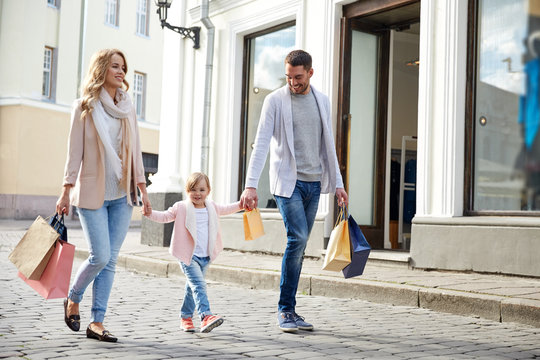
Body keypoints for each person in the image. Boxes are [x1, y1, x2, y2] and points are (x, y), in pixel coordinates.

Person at [240, 49, 348, 333]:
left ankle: (291, 310)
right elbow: (261, 143)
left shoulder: (321, 101)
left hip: (314, 183)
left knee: (299, 246)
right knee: (297, 237)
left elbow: (328, 147)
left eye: (298, 77)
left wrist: (338, 184)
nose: (292, 82)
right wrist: (251, 184)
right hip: (288, 184)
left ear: (310, 73)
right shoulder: (275, 101)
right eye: (288, 76)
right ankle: (285, 310)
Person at [56, 48, 151, 342]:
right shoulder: (83, 106)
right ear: (102, 69)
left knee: (111, 261)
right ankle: (73, 297)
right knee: (101, 255)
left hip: (121, 194)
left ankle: (97, 322)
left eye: (123, 67)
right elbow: (74, 153)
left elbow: (135, 150)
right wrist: (65, 190)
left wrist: (143, 189)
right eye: (115, 67)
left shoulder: (127, 107)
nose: (121, 72)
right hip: (92, 193)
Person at [144, 172, 242, 333]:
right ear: (187, 191)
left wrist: (242, 204)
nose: (197, 193)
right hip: (188, 256)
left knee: (192, 287)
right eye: (193, 189)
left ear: (208, 191)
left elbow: (228, 208)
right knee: (199, 284)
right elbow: (165, 216)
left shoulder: (212, 207)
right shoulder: (181, 207)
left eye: (202, 190)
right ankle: (206, 316)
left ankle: (186, 317)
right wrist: (149, 213)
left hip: (205, 256)